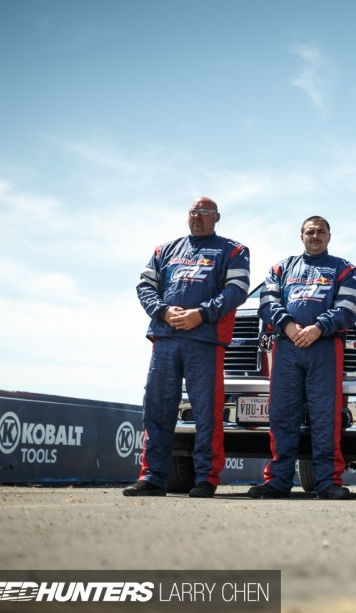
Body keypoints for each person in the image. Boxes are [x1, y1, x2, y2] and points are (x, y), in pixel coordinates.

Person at [126, 197, 250, 498]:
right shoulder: (165, 250)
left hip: (205, 340)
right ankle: (153, 478)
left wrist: (201, 314)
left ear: (216, 217)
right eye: (194, 212)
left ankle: (206, 479)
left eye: (205, 212)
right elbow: (145, 286)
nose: (198, 217)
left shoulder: (233, 250)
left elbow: (237, 290)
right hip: (166, 338)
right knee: (157, 409)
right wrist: (163, 311)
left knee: (207, 413)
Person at [249, 216, 356, 501]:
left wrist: (318, 328)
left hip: (325, 347)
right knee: (282, 417)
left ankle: (328, 483)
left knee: (325, 419)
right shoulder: (281, 268)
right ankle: (277, 482)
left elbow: (348, 307)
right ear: (301, 237)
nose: (315, 236)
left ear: (329, 236)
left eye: (321, 231)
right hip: (287, 348)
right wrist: (288, 325)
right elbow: (267, 302)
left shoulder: (344, 269)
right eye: (310, 231)